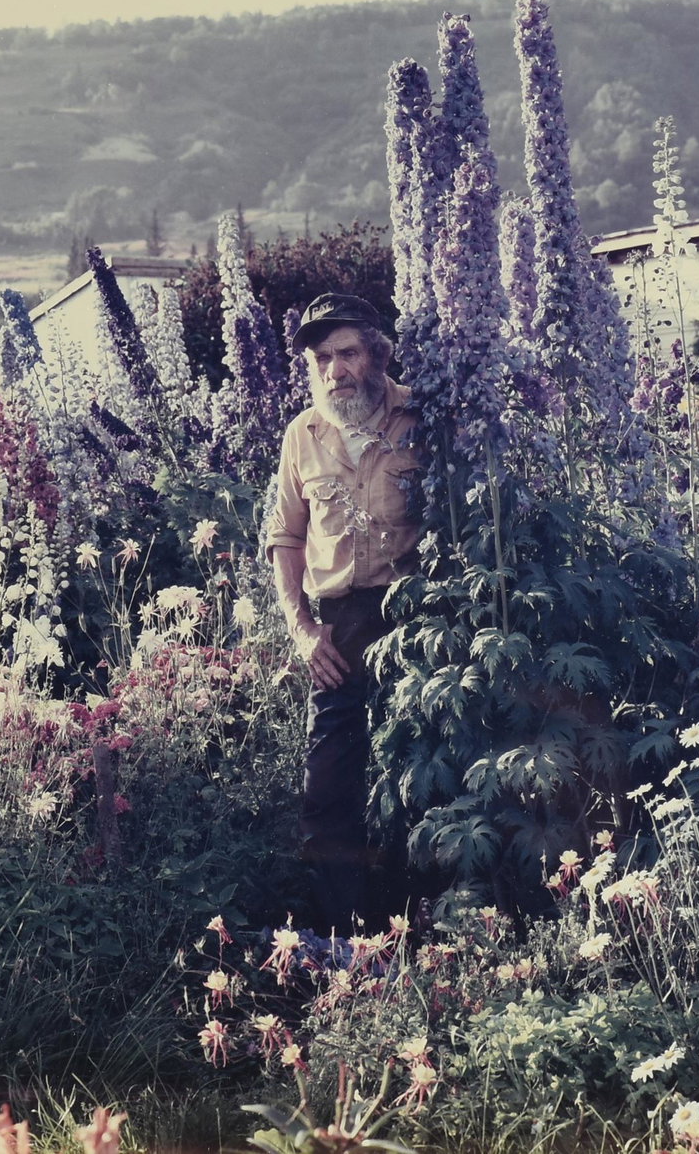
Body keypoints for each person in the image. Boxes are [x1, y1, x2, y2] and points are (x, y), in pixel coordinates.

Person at [263, 292, 423, 934]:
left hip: (417, 617)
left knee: (419, 775)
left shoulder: (424, 418)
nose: (335, 371)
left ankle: (430, 926)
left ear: (377, 353)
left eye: (348, 353)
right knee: (328, 787)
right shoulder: (303, 435)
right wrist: (303, 632)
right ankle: (348, 935)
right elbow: (285, 540)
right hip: (339, 626)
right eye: (322, 358)